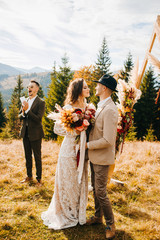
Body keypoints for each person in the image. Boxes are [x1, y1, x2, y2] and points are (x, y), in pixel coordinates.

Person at [41, 78, 90, 230]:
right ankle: (66, 212)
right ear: (78, 91)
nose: (89, 90)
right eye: (86, 87)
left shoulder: (89, 108)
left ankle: (77, 212)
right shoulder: (68, 108)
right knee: (68, 181)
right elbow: (57, 129)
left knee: (79, 182)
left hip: (83, 149)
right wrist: (75, 129)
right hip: (69, 149)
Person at [86, 74, 118, 239]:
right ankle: (98, 217)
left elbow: (108, 140)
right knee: (95, 189)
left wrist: (88, 145)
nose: (96, 87)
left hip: (102, 157)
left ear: (104, 88)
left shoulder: (111, 109)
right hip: (94, 156)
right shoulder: (100, 106)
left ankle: (110, 224)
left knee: (101, 191)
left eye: (98, 84)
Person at [19, 80, 45, 187]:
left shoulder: (41, 102)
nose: (29, 88)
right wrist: (24, 112)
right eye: (28, 87)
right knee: (27, 156)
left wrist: (28, 110)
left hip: (36, 134)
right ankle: (29, 176)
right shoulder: (25, 101)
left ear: (36, 89)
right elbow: (20, 116)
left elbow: (38, 119)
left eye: (31, 87)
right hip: (25, 133)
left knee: (37, 157)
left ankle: (39, 179)